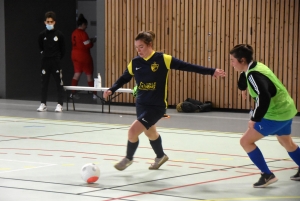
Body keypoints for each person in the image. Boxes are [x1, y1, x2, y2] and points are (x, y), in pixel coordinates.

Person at [103, 31, 226, 171]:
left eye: (141, 47)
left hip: (157, 106)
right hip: (141, 105)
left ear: (150, 45)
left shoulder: (163, 59)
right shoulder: (135, 62)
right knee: (150, 133)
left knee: (132, 132)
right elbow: (124, 78)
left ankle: (128, 158)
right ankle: (160, 156)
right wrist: (112, 89)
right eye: (136, 47)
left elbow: (188, 66)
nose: (138, 50)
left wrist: (211, 71)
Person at [230, 44, 300, 188]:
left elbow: (264, 97)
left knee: (245, 142)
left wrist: (254, 118)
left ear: (242, 60)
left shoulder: (254, 75)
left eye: (232, 60)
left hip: (275, 114)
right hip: (287, 109)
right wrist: (243, 88)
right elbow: (243, 75)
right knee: (286, 142)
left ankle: (267, 174)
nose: (231, 64)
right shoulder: (256, 66)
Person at [37, 11, 65, 112]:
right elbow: (41, 47)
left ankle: (60, 104)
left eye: (51, 22)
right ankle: (43, 103)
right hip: (45, 62)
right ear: (45, 22)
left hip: (55, 62)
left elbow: (63, 50)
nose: (49, 23)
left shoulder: (59, 35)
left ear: (54, 22)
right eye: (48, 22)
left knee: (59, 83)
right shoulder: (42, 35)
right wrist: (45, 56)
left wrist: (57, 58)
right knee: (44, 83)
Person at [70, 14, 97, 100]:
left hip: (74, 55)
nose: (86, 27)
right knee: (89, 75)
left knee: (76, 74)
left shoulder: (74, 33)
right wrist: (92, 42)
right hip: (84, 56)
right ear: (82, 24)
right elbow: (87, 45)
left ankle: (72, 93)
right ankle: (95, 94)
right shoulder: (83, 34)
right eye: (85, 25)